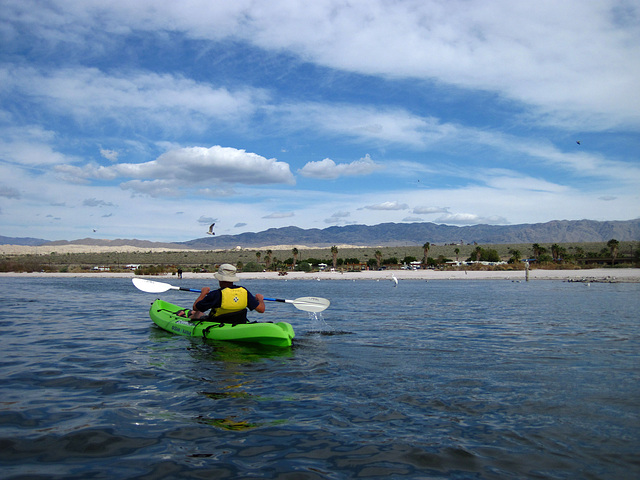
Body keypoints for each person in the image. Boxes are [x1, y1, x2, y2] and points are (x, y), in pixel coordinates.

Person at [180, 264, 265, 323]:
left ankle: (184, 316)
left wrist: (203, 293)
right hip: (238, 322)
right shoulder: (244, 291)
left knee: (196, 313)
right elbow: (261, 310)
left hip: (218, 323)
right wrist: (260, 299)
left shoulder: (216, 294)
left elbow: (195, 307)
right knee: (197, 313)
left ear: (220, 279)